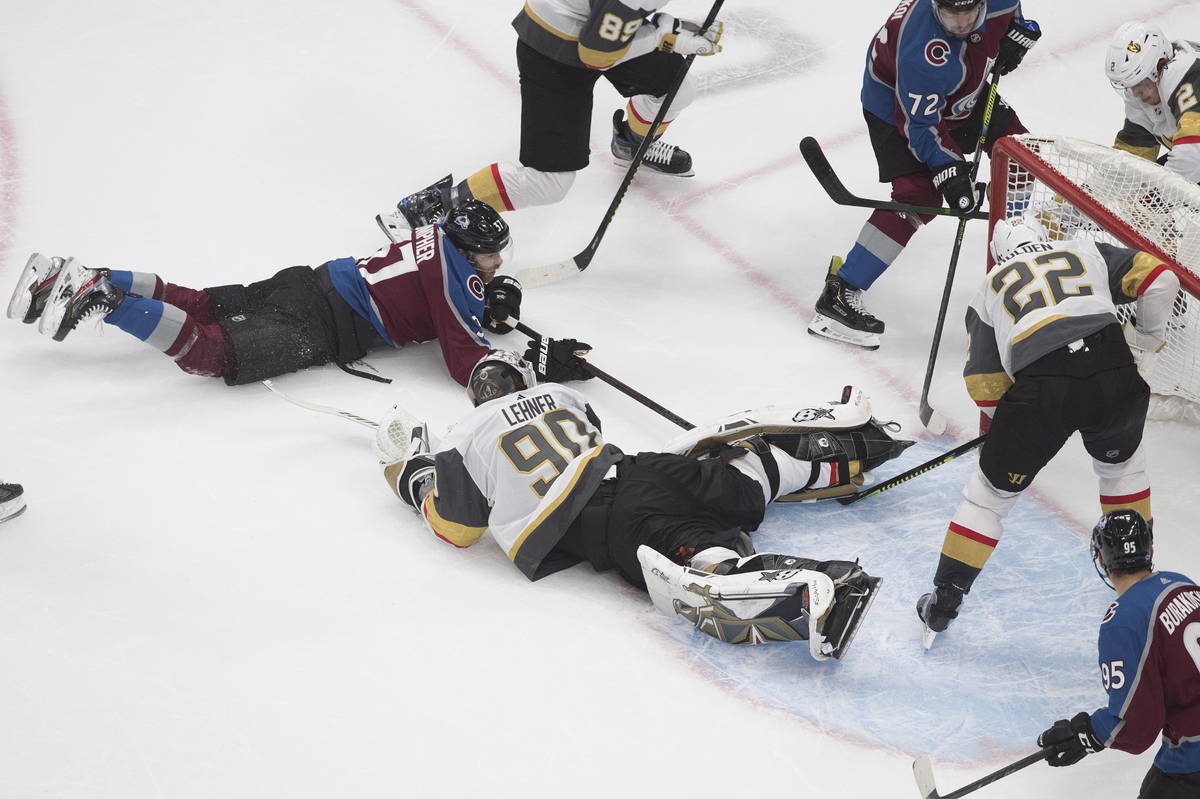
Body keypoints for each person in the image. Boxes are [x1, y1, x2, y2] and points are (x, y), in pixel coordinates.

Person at [376, 352, 916, 660]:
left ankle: (822, 583)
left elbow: (458, 528)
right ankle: (823, 461)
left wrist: (413, 473)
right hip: (644, 466)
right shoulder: (563, 396)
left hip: (601, 512)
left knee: (694, 554)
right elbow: (586, 434)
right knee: (737, 482)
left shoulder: (467, 433)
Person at [916, 218, 1181, 648]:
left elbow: (984, 386)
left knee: (988, 498)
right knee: (1124, 473)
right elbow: (1161, 279)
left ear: (1001, 256)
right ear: (1044, 240)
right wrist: (1146, 341)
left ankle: (942, 606)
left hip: (1041, 391)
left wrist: (1012, 424)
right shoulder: (1083, 249)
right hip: (1114, 373)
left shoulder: (989, 288)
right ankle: (1140, 592)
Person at [7, 200, 529, 390]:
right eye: (490, 256)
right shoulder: (456, 278)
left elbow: (437, 288)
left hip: (308, 280)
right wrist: (532, 364)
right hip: (324, 325)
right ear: (468, 251)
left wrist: (482, 297)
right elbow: (467, 362)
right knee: (212, 352)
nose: (497, 262)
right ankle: (104, 298)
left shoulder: (434, 234)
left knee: (202, 303)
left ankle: (65, 275)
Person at [376, 1, 724, 236]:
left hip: (590, 22)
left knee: (677, 88)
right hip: (553, 46)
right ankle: (430, 210)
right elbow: (595, 53)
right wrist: (664, 37)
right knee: (548, 184)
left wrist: (664, 32)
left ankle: (632, 142)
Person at [808, 0, 1041, 350]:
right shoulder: (921, 51)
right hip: (895, 106)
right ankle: (840, 293)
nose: (961, 22)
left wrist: (1019, 31)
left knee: (1022, 159)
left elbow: (1015, 13)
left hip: (964, 91)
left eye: (968, 12)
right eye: (951, 13)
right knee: (920, 196)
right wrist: (951, 173)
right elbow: (920, 126)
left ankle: (1013, 260)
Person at [1037, 510, 1200, 798]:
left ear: (1101, 559)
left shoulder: (1123, 621)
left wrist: (1087, 733)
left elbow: (1137, 723)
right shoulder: (1182, 583)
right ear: (1149, 549)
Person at [1105, 21, 1200, 184]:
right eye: (1129, 85)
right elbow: (1127, 166)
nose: (1135, 93)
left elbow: (1193, 156)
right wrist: (1071, 202)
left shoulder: (1188, 75)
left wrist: (1153, 202)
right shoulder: (1146, 96)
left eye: (1138, 83)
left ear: (1159, 66)